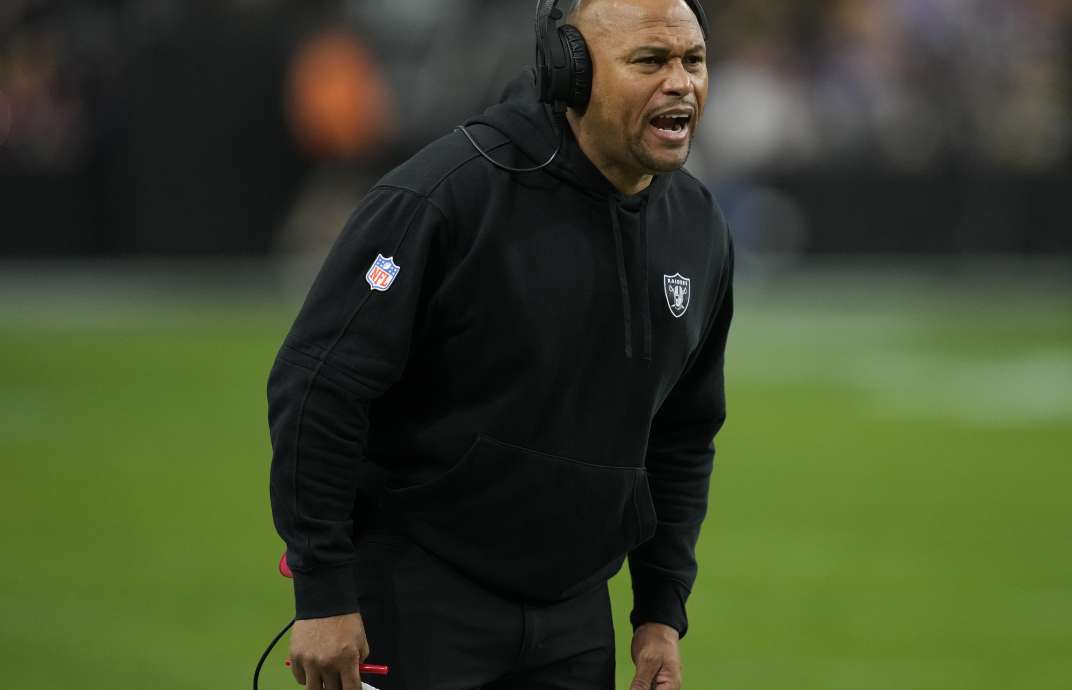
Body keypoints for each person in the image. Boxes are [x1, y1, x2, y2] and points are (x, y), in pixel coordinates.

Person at [266, 0, 733, 688]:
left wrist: (659, 615)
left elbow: (682, 435)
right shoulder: (446, 196)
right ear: (569, 71)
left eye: (692, 61)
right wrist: (324, 592)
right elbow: (319, 386)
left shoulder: (697, 226)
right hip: (420, 592)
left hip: (574, 615)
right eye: (649, 61)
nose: (680, 83)